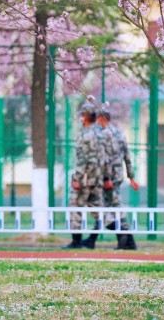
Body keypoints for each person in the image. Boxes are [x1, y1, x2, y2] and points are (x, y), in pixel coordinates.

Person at [96, 107, 139, 250]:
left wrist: (106, 178)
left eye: (97, 119)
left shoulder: (104, 135)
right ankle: (128, 242)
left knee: (103, 209)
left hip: (108, 179)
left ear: (101, 119)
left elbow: (105, 159)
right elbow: (127, 157)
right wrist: (131, 177)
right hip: (118, 177)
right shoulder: (120, 134)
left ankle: (124, 236)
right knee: (114, 208)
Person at [64, 102, 104, 249]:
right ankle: (92, 239)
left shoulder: (85, 134)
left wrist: (77, 178)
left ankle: (76, 241)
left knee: (75, 206)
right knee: (98, 210)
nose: (81, 117)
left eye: (82, 114)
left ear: (86, 116)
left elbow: (83, 159)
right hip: (97, 178)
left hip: (85, 179)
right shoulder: (101, 133)